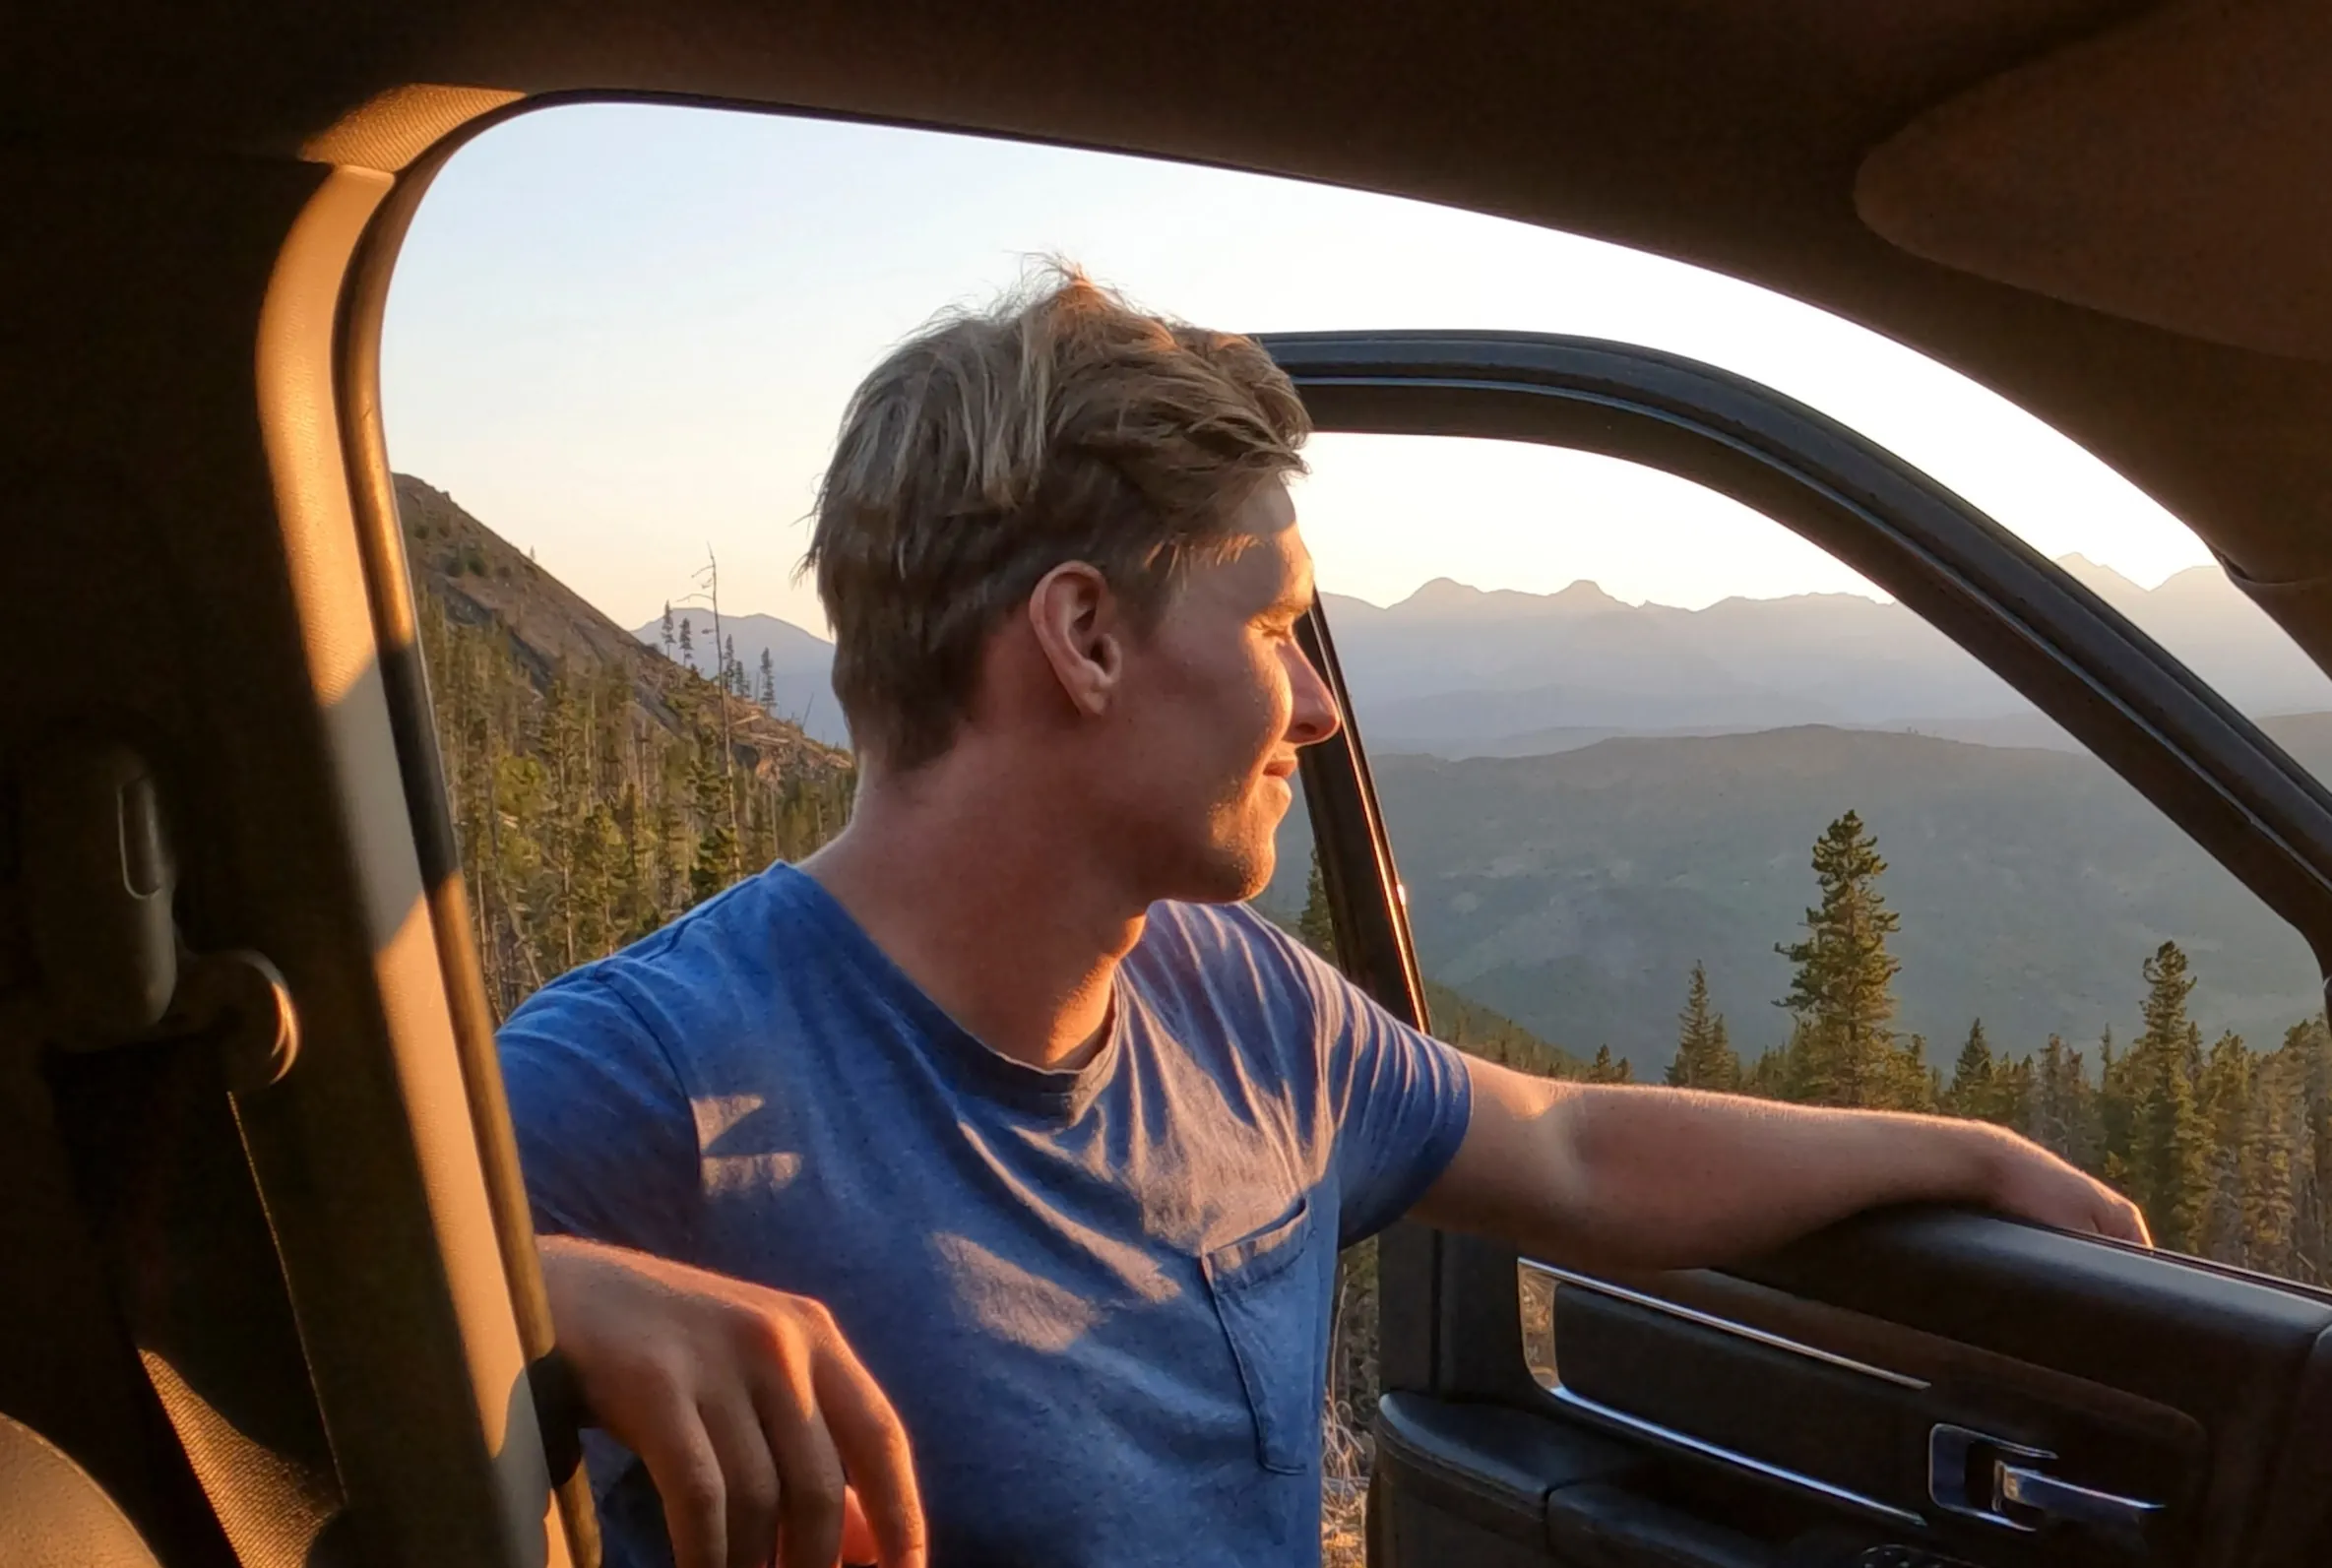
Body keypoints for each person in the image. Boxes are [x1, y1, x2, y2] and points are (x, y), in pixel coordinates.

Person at [497, 270, 2149, 1568]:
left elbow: (1570, 1148)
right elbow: (259, 1308)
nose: (1315, 709)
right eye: (1278, 626)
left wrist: (1958, 1153)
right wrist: (547, 1298)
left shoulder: (1245, 1009)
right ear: (1084, 638)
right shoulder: (661, 1071)